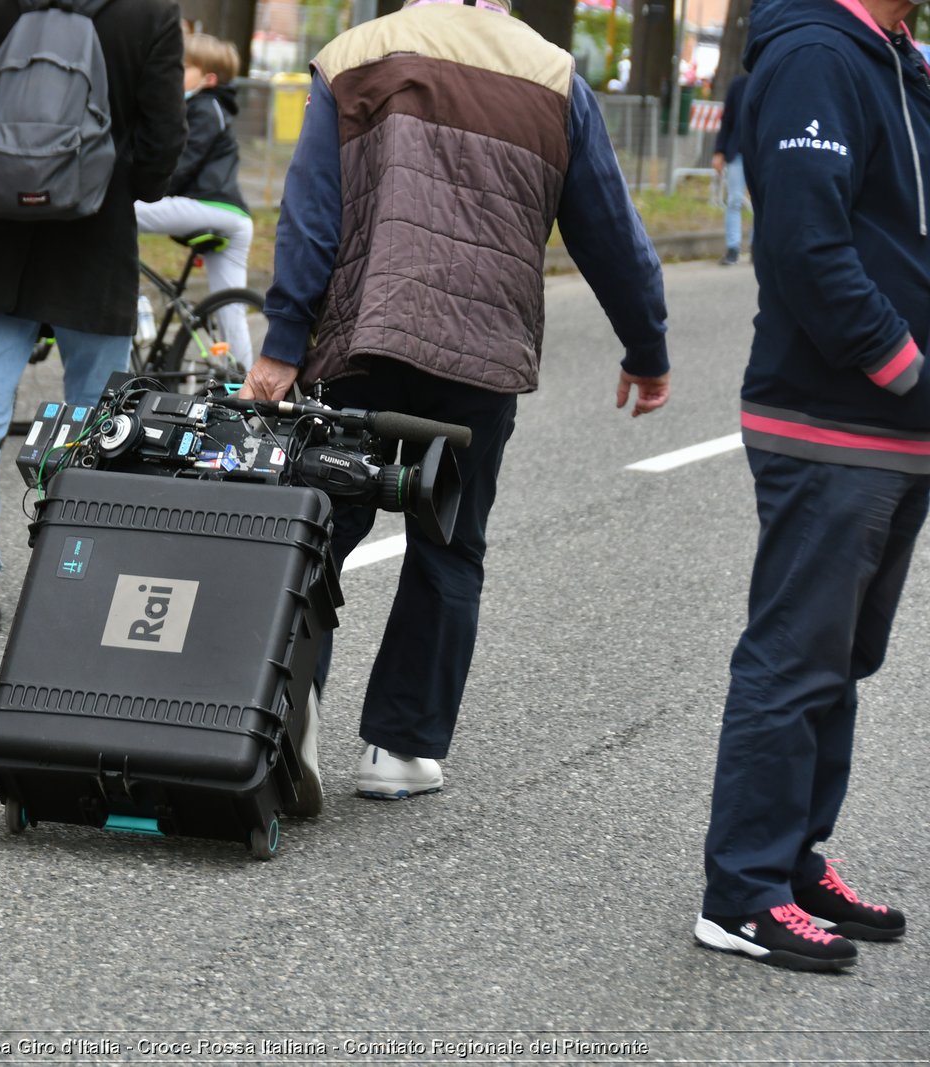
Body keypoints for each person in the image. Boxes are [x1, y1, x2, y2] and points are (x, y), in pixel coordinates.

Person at [241, 0, 670, 801]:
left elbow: (310, 214)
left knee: (319, 528)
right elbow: (608, 229)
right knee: (449, 538)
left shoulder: (354, 56)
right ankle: (398, 752)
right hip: (479, 354)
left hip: (362, 334)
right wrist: (646, 347)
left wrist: (282, 344)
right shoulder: (552, 76)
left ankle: (281, 707)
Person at [694, 0, 927, 972]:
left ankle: (791, 858)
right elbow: (803, 239)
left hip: (889, 430)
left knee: (840, 659)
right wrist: (902, 364)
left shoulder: (894, 60)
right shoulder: (815, 56)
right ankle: (741, 891)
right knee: (794, 659)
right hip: (835, 419)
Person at [0, 0, 186, 638]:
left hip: (0, 241)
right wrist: (113, 180)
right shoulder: (150, 15)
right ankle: (77, 571)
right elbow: (162, 143)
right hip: (96, 242)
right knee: (98, 416)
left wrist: (3, 173)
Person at [134, 33, 255, 369]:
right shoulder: (212, 108)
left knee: (116, 214)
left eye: (183, 67)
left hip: (211, 209)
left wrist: (141, 188)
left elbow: (182, 165)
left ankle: (126, 301)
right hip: (234, 218)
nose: (174, 73)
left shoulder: (203, 109)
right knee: (231, 311)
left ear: (208, 78)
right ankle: (248, 388)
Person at [711, 73, 750, 266]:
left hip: (761, 153)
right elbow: (727, 119)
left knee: (763, 203)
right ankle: (733, 248)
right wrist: (720, 151)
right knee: (734, 199)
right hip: (738, 153)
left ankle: (758, 248)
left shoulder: (771, 79)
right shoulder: (738, 84)